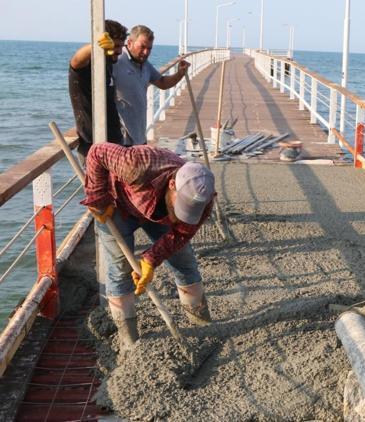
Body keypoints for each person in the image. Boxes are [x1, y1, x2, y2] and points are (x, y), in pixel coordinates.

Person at [81, 143, 215, 348]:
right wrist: (98, 197)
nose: (184, 214)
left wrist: (150, 259)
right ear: (172, 185)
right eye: (181, 206)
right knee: (120, 268)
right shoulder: (137, 164)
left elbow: (181, 234)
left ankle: (201, 324)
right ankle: (129, 342)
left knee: (184, 260)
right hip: (117, 204)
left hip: (158, 215)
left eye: (190, 210)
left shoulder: (203, 198)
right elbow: (97, 152)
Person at [113, 25, 190, 145]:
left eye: (149, 48)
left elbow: (162, 83)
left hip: (139, 136)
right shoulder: (116, 61)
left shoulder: (145, 64)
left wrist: (180, 74)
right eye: (142, 47)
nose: (146, 52)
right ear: (129, 43)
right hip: (121, 139)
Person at [68, 19, 128, 157]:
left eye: (121, 46)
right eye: (115, 46)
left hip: (115, 142)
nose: (119, 51)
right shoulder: (88, 66)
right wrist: (95, 46)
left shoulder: (108, 63)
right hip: (93, 147)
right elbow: (76, 61)